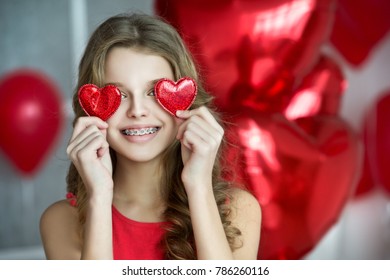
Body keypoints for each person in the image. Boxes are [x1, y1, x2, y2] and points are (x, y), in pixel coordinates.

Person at [40, 13, 261, 260]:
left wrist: (198, 187)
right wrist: (99, 197)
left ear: (187, 101)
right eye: (120, 94)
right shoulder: (60, 221)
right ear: (91, 107)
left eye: (154, 92)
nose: (137, 111)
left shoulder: (239, 210)